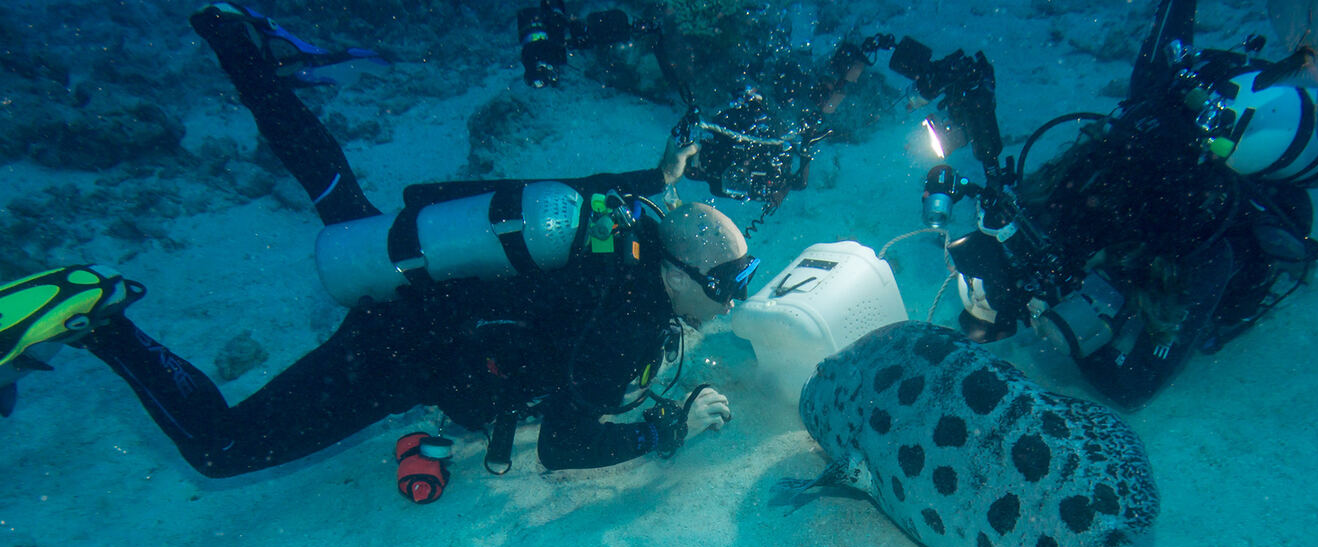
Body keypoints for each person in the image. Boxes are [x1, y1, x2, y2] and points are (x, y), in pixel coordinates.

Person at [0, 3, 753, 486]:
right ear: (677, 272)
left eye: (741, 280)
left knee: (334, 192)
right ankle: (102, 320)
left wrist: (659, 175)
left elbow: (572, 184)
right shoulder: (625, 324)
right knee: (221, 449)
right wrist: (665, 429)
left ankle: (237, 44)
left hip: (411, 260)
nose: (730, 301)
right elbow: (564, 448)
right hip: (398, 348)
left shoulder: (621, 219)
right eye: (724, 285)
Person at [941, 0, 1318, 408]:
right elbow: (1170, 30)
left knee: (1232, 270)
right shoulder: (1145, 109)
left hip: (1228, 228)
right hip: (1183, 143)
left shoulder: (1197, 238)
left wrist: (1069, 332)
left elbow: (1133, 386)